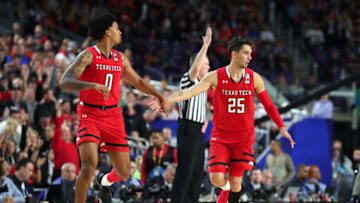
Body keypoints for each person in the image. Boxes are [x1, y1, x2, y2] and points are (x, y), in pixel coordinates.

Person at [149, 36, 295, 203]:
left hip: (244, 138)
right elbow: (190, 92)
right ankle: (224, 192)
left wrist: (282, 127)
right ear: (234, 54)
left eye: (250, 53)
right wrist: (168, 99)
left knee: (235, 183)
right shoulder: (215, 76)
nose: (250, 57)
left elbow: (269, 105)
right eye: (246, 53)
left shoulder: (254, 78)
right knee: (216, 179)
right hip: (221, 136)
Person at [59, 13, 168, 203]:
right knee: (89, 164)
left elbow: (139, 82)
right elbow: (64, 81)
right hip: (90, 114)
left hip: (113, 116)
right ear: (108, 32)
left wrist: (160, 96)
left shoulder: (121, 59)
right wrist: (91, 85)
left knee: (125, 171)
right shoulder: (88, 55)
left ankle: (105, 181)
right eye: (117, 28)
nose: (121, 32)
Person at [171, 27, 212, 203]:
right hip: (188, 128)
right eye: (206, 63)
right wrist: (205, 46)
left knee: (197, 172)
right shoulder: (189, 79)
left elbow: (201, 107)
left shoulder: (203, 85)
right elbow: (194, 70)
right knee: (185, 172)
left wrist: (205, 119)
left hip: (197, 130)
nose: (209, 66)